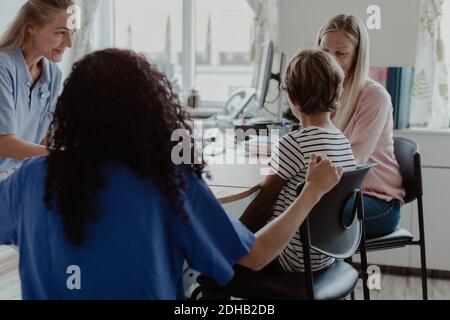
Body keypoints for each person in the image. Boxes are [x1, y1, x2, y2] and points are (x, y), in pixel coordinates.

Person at [0, 48, 342, 300]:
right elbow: (257, 257)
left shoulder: (29, 179)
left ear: (71, 110)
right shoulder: (170, 182)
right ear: (151, 110)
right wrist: (311, 191)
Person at [239, 49, 356, 273]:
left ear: (292, 98)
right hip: (327, 254)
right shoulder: (343, 142)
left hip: (292, 257)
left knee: (216, 251)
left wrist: (230, 236)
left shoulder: (294, 144)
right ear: (337, 93)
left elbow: (263, 204)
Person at [315, 15, 405, 238]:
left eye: (341, 53)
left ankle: (327, 272)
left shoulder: (374, 96)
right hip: (341, 193)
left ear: (356, 57)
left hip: (377, 200)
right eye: (325, 50)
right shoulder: (324, 92)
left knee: (311, 211)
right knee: (289, 203)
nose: (330, 60)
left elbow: (353, 162)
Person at [0, 0, 75, 180]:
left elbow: (45, 140)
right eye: (60, 33)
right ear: (31, 27)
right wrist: (65, 158)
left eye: (72, 33)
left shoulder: (53, 74)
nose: (69, 43)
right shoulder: (4, 68)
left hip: (19, 176)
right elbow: (3, 143)